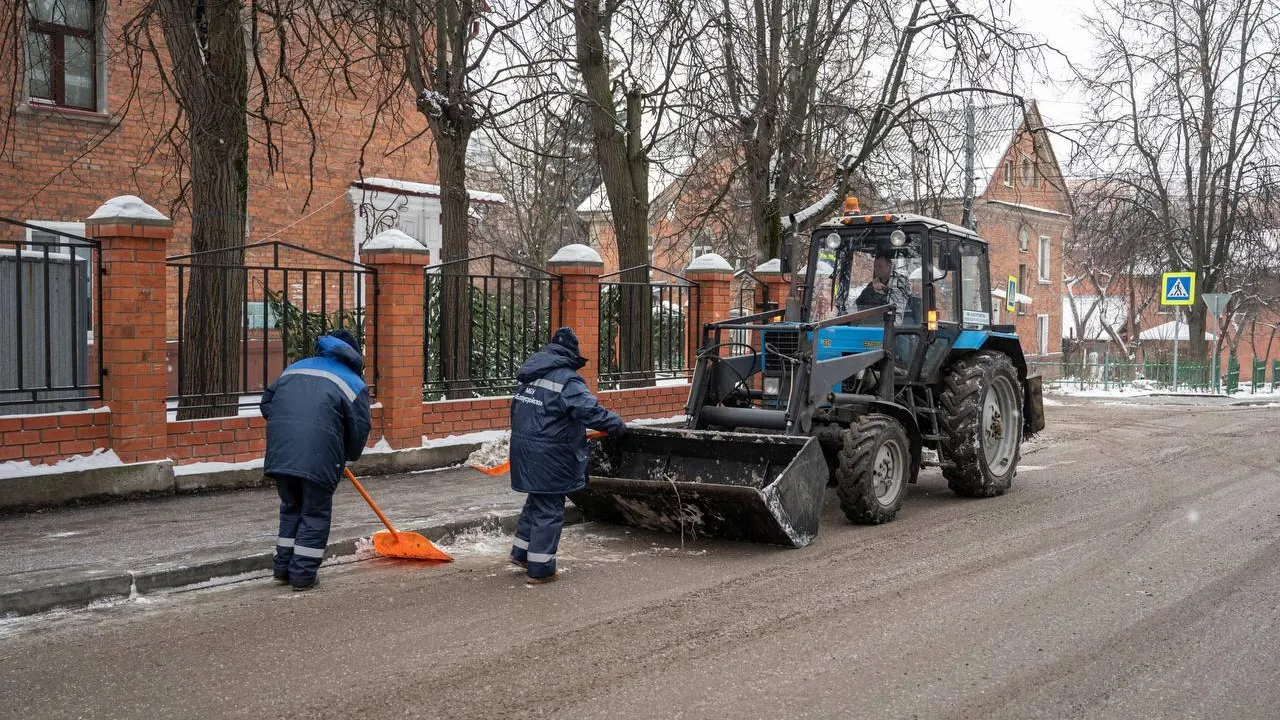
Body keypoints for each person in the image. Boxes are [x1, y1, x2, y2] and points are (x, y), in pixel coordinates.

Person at [509, 327, 625, 585]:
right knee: (550, 508)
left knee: (537, 500)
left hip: (525, 449)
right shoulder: (567, 380)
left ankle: (521, 553)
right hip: (551, 453)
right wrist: (616, 425)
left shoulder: (531, 373)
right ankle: (541, 570)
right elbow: (589, 411)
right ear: (572, 352)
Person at [260, 329, 372, 591]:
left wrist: (289, 426)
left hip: (281, 453)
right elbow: (359, 428)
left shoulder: (295, 368)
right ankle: (303, 574)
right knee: (314, 514)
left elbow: (267, 403)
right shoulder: (353, 383)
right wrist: (348, 453)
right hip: (320, 457)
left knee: (291, 508)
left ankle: (283, 569)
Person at [855, 253, 912, 322]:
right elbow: (859, 302)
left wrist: (884, 289)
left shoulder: (900, 282)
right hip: (872, 321)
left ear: (889, 266)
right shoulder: (872, 285)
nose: (877, 269)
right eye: (875, 267)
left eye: (880, 266)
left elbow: (898, 301)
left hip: (895, 321)